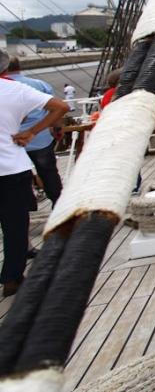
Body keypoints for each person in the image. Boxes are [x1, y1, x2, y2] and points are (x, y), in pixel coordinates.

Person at [0, 49, 69, 296]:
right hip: (11, 167)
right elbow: (61, 107)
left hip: (12, 168)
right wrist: (32, 131)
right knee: (15, 225)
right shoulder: (15, 89)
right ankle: (12, 278)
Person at [6, 57, 64, 207]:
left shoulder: (5, 86)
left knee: (17, 176)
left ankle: (28, 204)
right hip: (39, 138)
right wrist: (57, 128)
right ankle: (57, 203)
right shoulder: (38, 84)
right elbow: (56, 109)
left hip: (10, 141)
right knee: (48, 172)